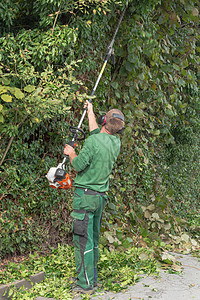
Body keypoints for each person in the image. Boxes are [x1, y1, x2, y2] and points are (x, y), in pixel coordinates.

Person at [63, 100, 125, 294]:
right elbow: (94, 133)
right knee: (92, 241)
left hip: (85, 197)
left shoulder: (93, 141)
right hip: (99, 198)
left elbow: (79, 165)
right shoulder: (115, 142)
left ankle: (84, 284)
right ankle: (91, 279)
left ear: (104, 120)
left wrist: (71, 153)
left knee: (82, 241)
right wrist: (89, 111)